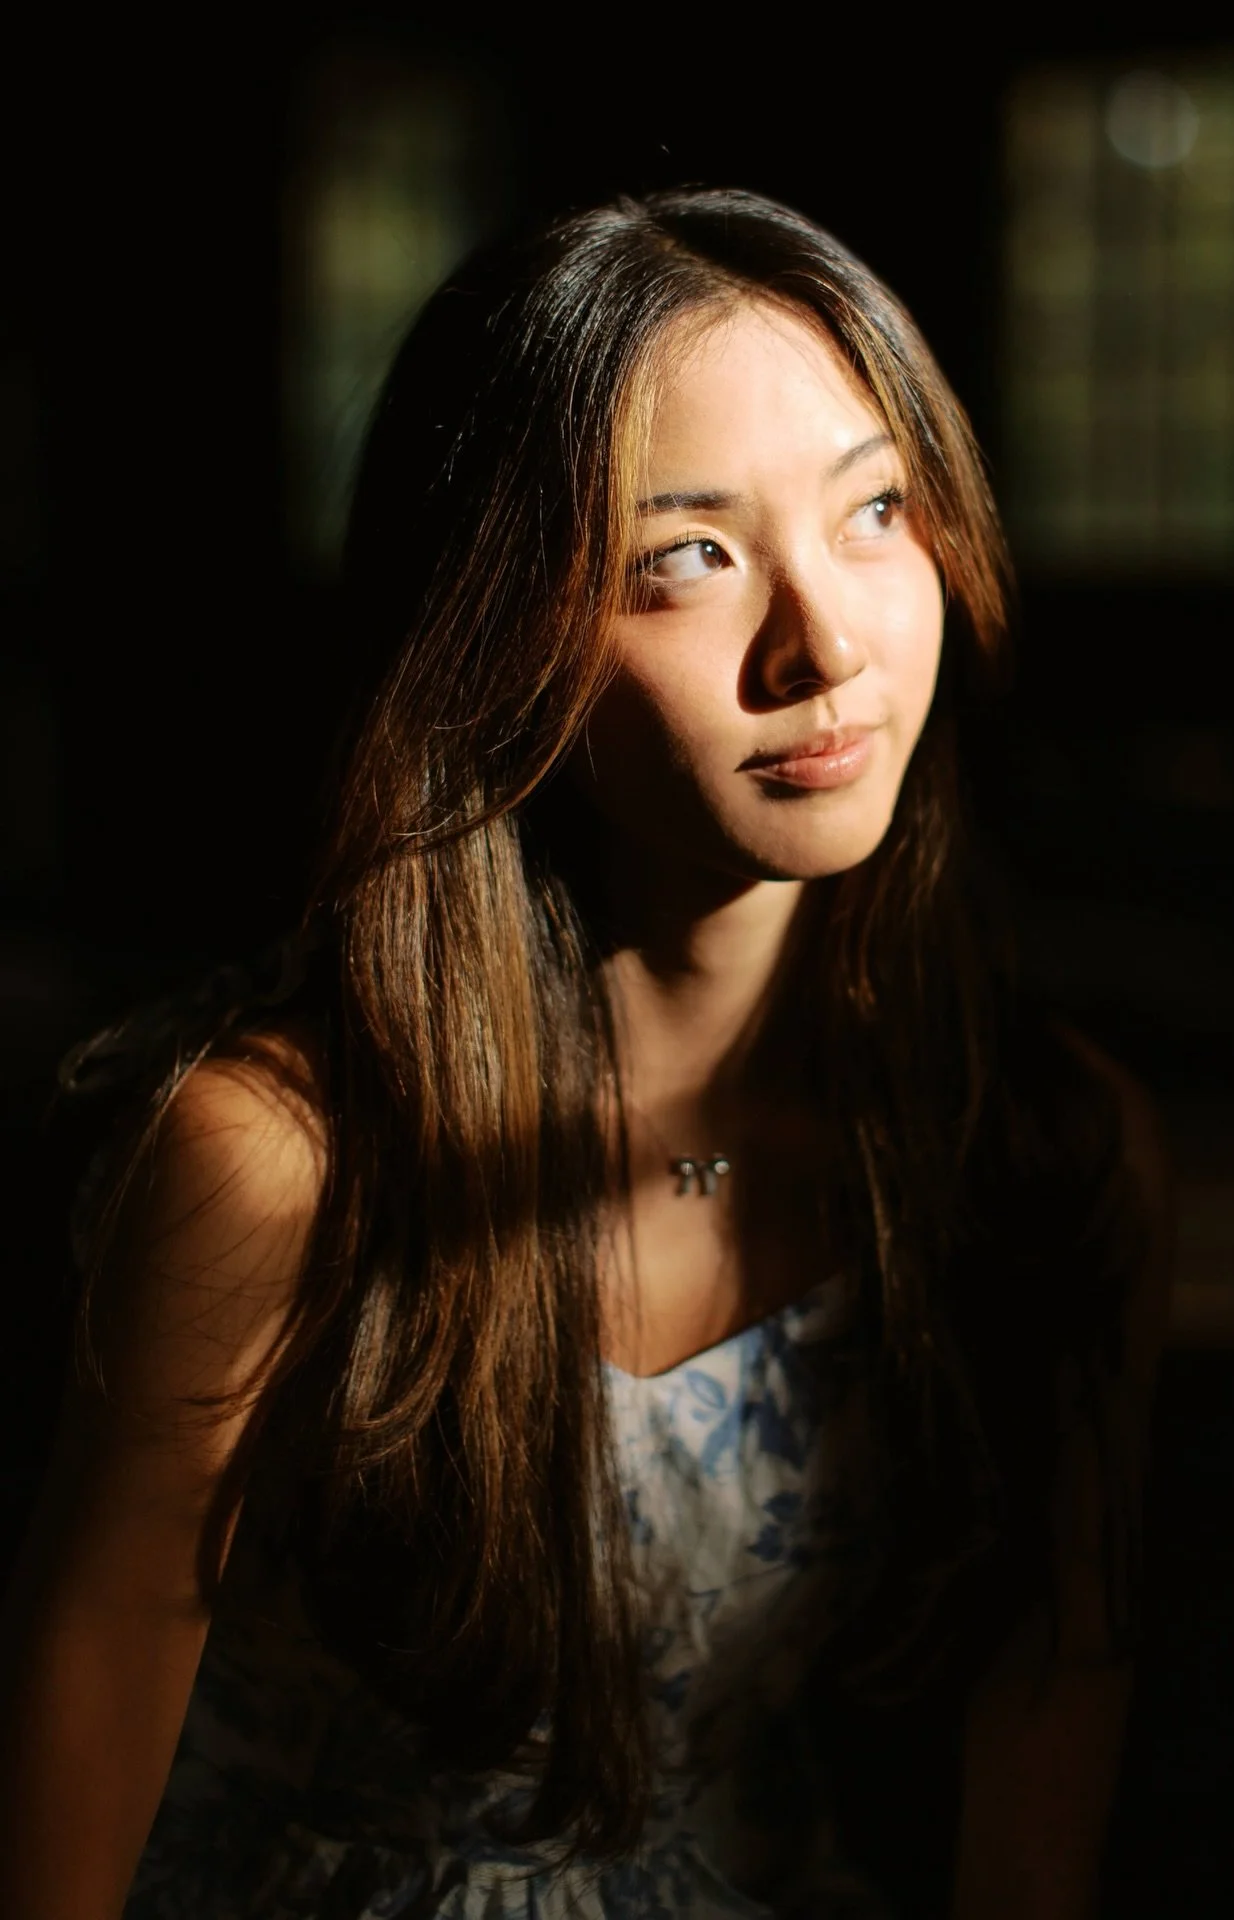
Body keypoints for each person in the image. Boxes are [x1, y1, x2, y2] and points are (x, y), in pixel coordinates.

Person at [0, 188, 1173, 1919]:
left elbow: (1060, 1671)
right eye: (683, 557)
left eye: (876, 510)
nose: (828, 647)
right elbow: (98, 1660)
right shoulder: (277, 1161)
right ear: (492, 635)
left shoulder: (1041, 1143)